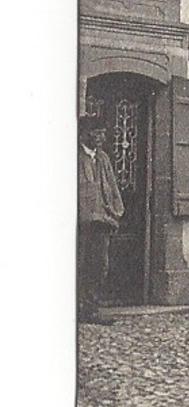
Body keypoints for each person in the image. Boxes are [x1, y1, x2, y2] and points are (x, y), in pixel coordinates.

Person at [77, 115, 124, 325]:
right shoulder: (76, 158)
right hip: (82, 223)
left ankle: (91, 307)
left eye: (103, 133)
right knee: (80, 264)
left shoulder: (103, 159)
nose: (100, 137)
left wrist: (115, 213)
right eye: (95, 132)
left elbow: (113, 189)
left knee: (99, 266)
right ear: (83, 134)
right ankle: (76, 307)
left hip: (102, 222)